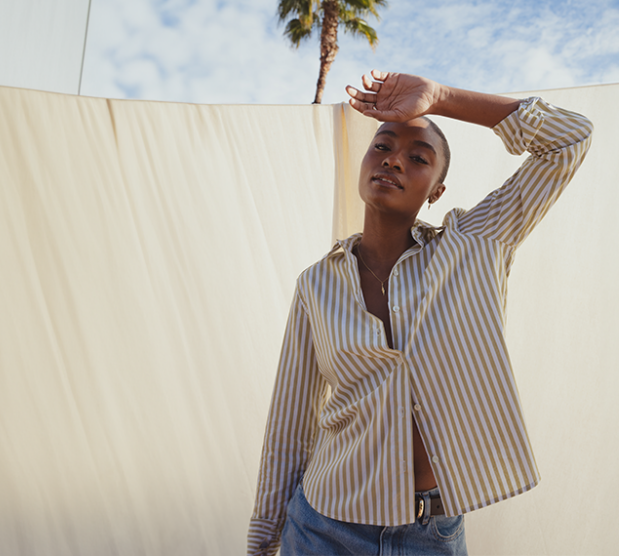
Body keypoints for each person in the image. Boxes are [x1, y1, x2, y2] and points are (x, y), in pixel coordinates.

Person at [247, 70, 593, 556]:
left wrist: (440, 97)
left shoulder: (475, 244)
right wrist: (263, 539)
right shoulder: (316, 285)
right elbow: (289, 424)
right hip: (322, 526)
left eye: (418, 158)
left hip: (431, 534)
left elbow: (569, 139)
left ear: (436, 190)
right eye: (382, 147)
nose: (393, 160)